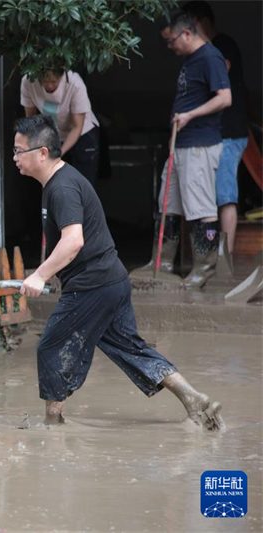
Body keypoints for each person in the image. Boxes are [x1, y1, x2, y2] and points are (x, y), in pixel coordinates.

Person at [14, 114, 224, 431]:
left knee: (50, 347)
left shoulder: (62, 189)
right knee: (131, 348)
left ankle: (52, 424)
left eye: (18, 151)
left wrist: (40, 275)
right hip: (111, 281)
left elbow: (73, 241)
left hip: (93, 285)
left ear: (42, 153)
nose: (14, 157)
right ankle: (194, 399)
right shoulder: (59, 182)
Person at [131, 12, 231, 289]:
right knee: (168, 204)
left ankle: (205, 267)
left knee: (200, 208)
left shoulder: (211, 57)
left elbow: (225, 98)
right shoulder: (190, 59)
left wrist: (189, 116)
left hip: (199, 145)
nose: (170, 46)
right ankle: (161, 262)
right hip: (182, 144)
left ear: (187, 34)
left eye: (171, 40)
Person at [184, 1, 249, 261]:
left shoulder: (222, 46)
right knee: (211, 196)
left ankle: (225, 258)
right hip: (214, 134)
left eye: (190, 25)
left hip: (229, 133)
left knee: (224, 194)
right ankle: (212, 257)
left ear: (201, 21)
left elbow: (218, 82)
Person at [21, 69, 102, 184]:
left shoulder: (74, 83)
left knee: (82, 182)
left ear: (61, 76)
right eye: (45, 81)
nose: (49, 85)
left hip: (81, 132)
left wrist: (58, 152)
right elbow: (31, 119)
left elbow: (77, 127)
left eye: (54, 81)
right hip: (52, 134)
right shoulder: (29, 81)